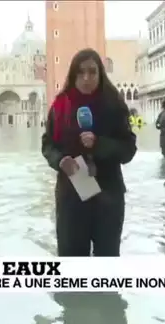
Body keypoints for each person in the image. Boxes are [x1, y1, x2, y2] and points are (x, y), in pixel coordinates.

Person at [41, 48, 137, 257]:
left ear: (100, 74)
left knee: (107, 259)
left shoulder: (115, 105)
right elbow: (48, 144)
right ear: (73, 74)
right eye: (81, 72)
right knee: (71, 260)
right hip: (72, 194)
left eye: (92, 72)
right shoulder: (60, 106)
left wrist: (99, 144)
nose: (86, 78)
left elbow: (128, 149)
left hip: (108, 195)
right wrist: (60, 160)